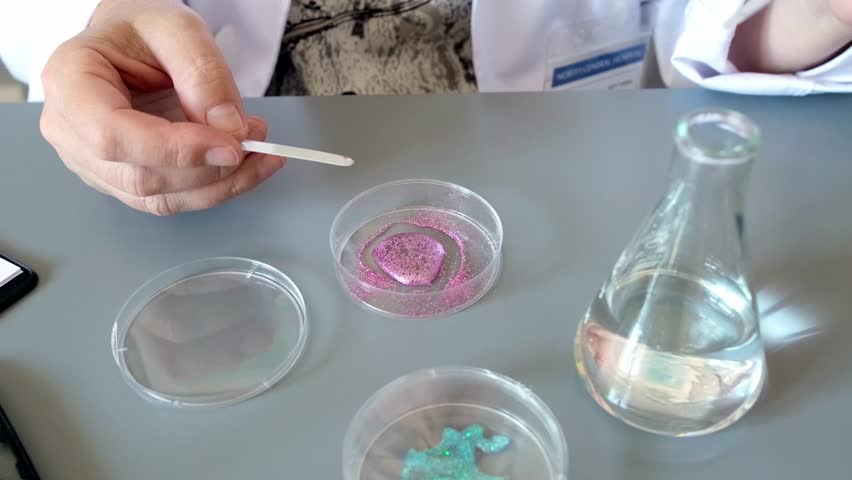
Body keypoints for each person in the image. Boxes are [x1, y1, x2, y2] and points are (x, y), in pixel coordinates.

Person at [0, 0, 850, 215]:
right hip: (246, 187)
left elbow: (720, 21)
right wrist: (80, 36)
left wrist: (821, 20)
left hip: (559, 180)